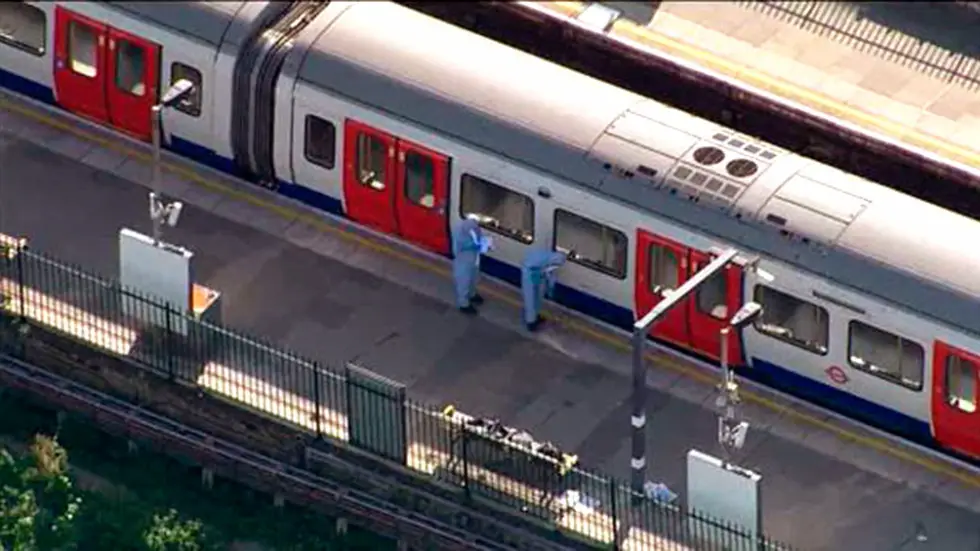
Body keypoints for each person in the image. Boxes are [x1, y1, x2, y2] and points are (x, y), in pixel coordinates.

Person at [521, 248, 568, 332]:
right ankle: (531, 323)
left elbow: (550, 273)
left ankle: (535, 316)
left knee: (538, 298)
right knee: (530, 299)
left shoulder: (549, 259)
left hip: (536, 274)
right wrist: (550, 288)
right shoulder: (544, 259)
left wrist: (550, 287)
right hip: (529, 274)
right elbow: (546, 272)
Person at [452, 217, 486, 314]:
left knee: (473, 278)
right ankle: (463, 304)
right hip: (464, 261)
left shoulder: (474, 228)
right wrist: (474, 245)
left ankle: (472, 294)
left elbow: (478, 239)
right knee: (464, 281)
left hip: (474, 259)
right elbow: (457, 248)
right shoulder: (460, 231)